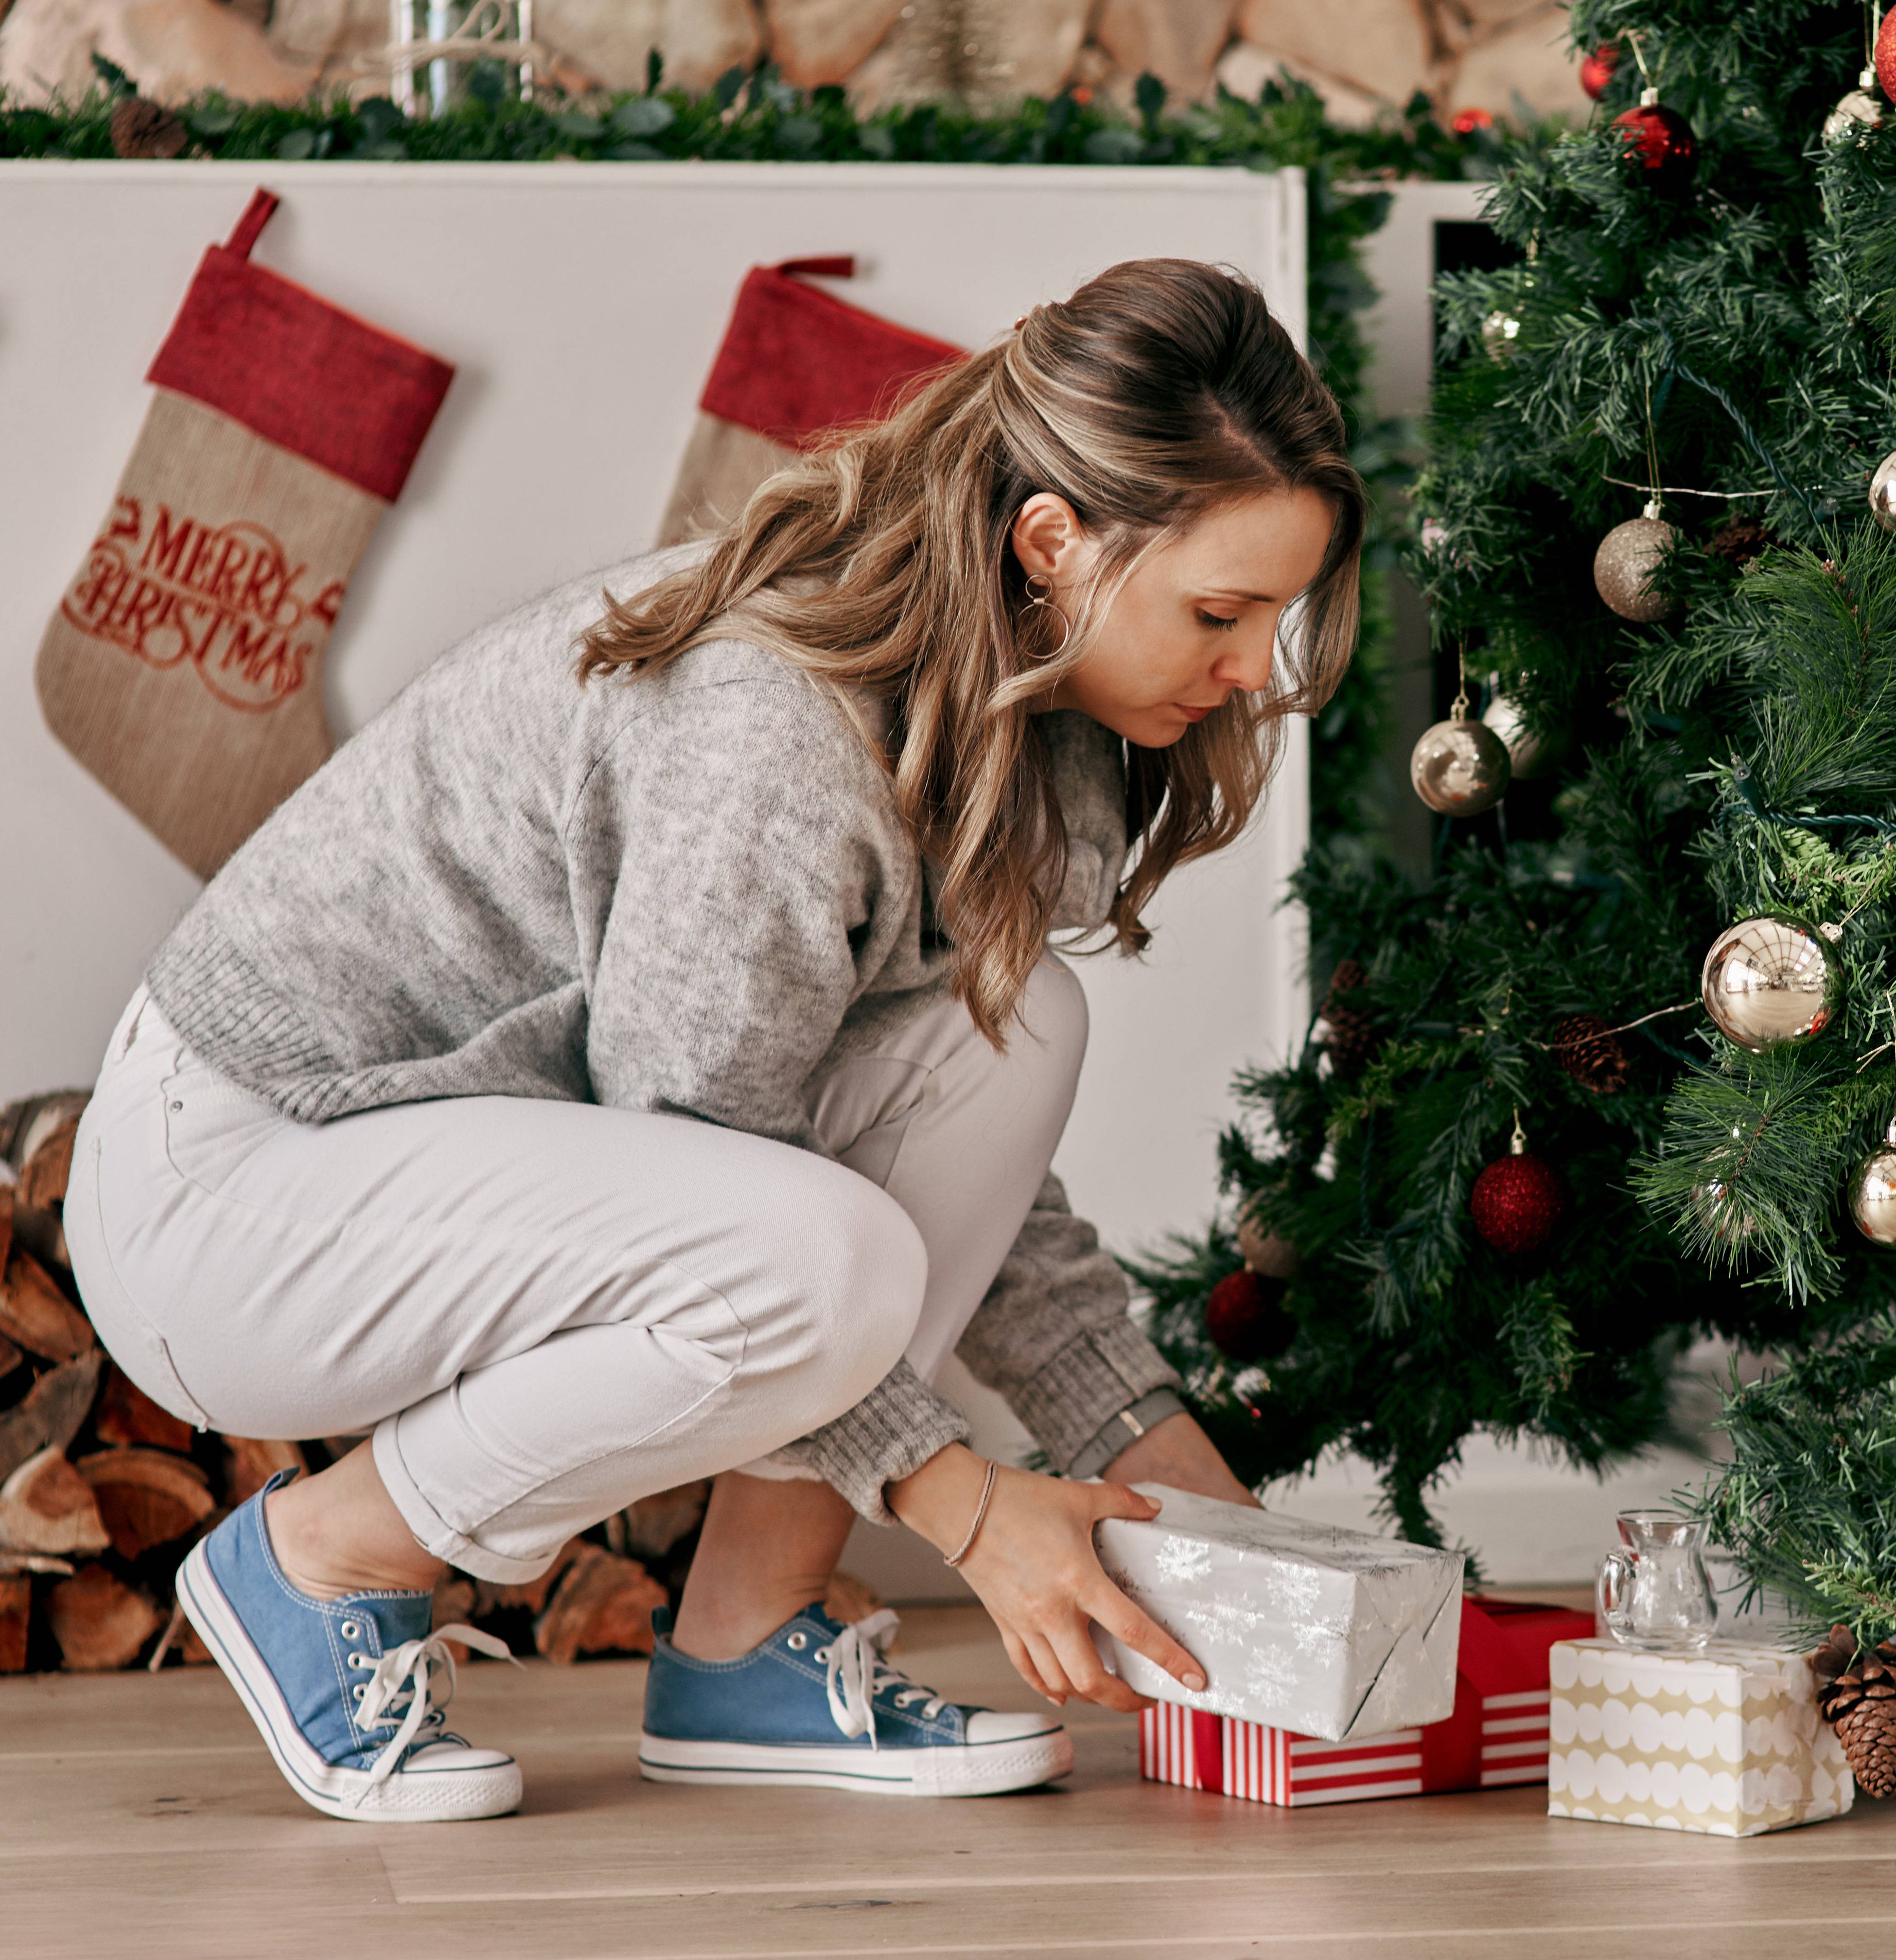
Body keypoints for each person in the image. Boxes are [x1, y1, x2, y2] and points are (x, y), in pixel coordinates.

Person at [61, 258, 1360, 1822]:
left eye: (1272, 618)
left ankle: (748, 1639)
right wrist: (969, 1508)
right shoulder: (777, 729)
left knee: (1014, 1030)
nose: (1252, 671)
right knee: (817, 1258)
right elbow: (728, 1203)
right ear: (1050, 543)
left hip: (433, 1174)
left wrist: (1172, 1474)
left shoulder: (997, 718)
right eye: (1220, 614)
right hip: (228, 1189)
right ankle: (318, 1555)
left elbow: (913, 1169)